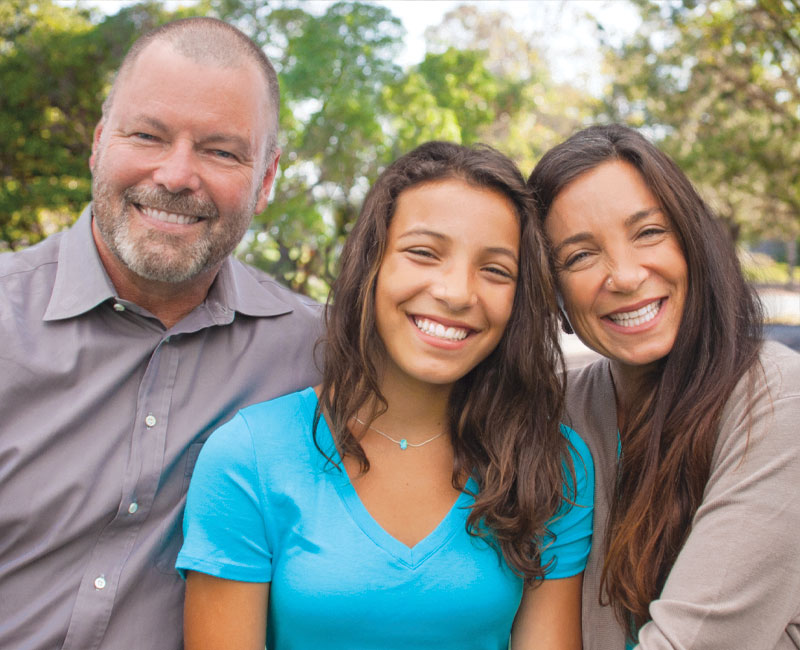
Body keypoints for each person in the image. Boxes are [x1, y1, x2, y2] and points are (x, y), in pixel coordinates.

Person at [176, 141, 594, 650]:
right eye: (424, 253)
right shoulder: (249, 457)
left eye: (495, 269)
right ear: (371, 264)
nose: (457, 292)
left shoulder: (554, 464)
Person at [0, 17, 321, 650]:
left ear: (267, 180)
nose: (176, 175)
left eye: (221, 150)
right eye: (148, 135)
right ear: (98, 145)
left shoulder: (314, 351)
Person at [528, 123, 800, 649]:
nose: (625, 276)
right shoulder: (561, 412)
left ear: (693, 242)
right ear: (553, 295)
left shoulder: (775, 400)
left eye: (648, 232)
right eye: (581, 255)